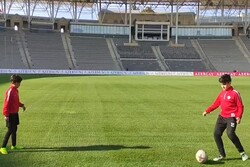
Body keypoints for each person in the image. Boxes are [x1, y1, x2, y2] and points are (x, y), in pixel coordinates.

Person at [202, 74, 248, 162]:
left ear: (229, 83)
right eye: (221, 84)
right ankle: (222, 155)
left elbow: (240, 106)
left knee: (230, 133)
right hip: (222, 117)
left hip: (231, 117)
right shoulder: (222, 94)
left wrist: (239, 117)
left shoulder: (235, 93)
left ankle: (242, 153)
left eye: (224, 84)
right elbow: (216, 104)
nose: (223, 86)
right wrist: (207, 111)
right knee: (216, 134)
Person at [0, 74, 26, 155]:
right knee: (10, 130)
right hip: (10, 114)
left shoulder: (16, 90)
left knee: (14, 129)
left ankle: (13, 145)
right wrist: (6, 115)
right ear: (13, 82)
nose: (19, 84)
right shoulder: (10, 91)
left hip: (15, 113)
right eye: (18, 83)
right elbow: (6, 104)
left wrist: (22, 105)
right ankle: (3, 147)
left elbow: (16, 102)